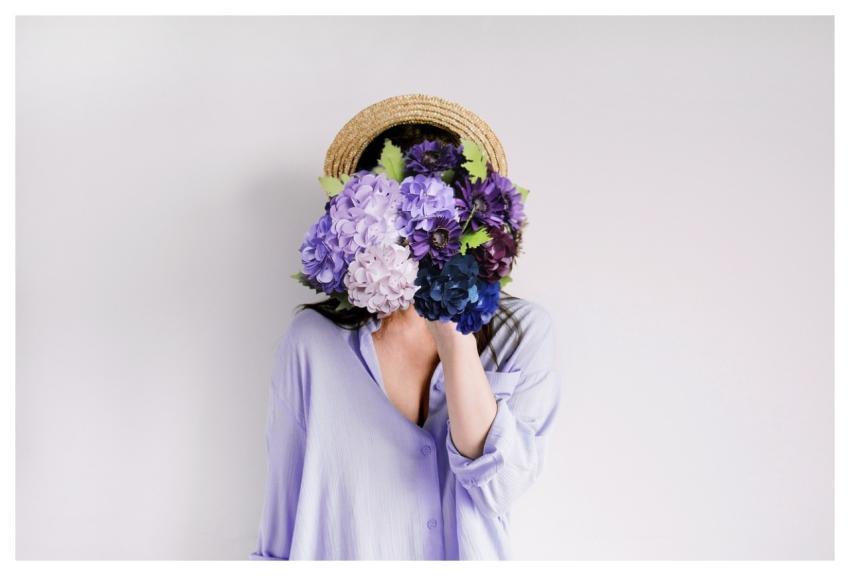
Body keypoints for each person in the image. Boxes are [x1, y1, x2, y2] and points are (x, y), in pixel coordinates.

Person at [249, 97, 562, 560]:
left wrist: (453, 331)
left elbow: (500, 488)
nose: (418, 240)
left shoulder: (522, 334)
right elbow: (282, 512)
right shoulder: (312, 343)